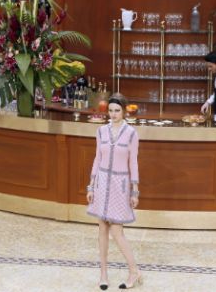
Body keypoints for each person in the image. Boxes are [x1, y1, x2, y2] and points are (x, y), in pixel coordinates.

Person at [86, 93, 142, 290]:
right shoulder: (101, 131)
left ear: (124, 111)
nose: (113, 114)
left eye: (117, 110)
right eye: (110, 110)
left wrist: (135, 190)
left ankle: (134, 272)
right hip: (102, 183)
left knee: (117, 232)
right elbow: (97, 158)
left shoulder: (132, 133)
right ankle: (103, 274)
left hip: (120, 185)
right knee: (102, 228)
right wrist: (91, 186)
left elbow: (133, 162)